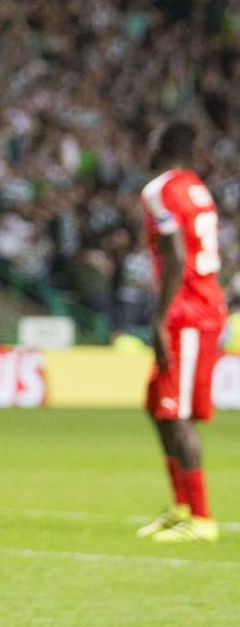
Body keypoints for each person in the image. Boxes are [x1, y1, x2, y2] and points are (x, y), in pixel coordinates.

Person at [135, 122, 227, 543]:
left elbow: (175, 253)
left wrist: (160, 318)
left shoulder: (159, 190)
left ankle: (202, 518)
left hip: (188, 313)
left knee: (179, 414)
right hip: (198, 306)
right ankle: (182, 506)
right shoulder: (197, 188)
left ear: (163, 144)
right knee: (159, 406)